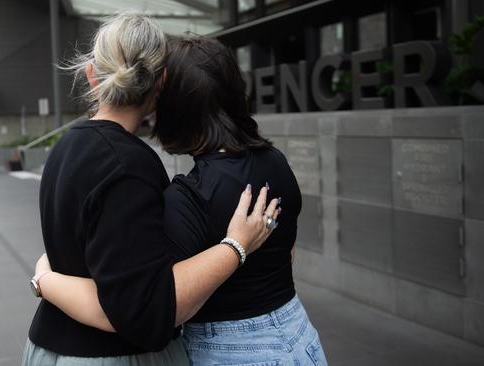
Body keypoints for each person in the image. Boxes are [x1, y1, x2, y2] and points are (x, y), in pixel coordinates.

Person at [32, 37, 328, 366]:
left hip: (230, 351)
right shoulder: (275, 162)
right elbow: (286, 253)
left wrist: (46, 279)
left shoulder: (189, 196)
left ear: (175, 108)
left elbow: (153, 307)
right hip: (299, 336)